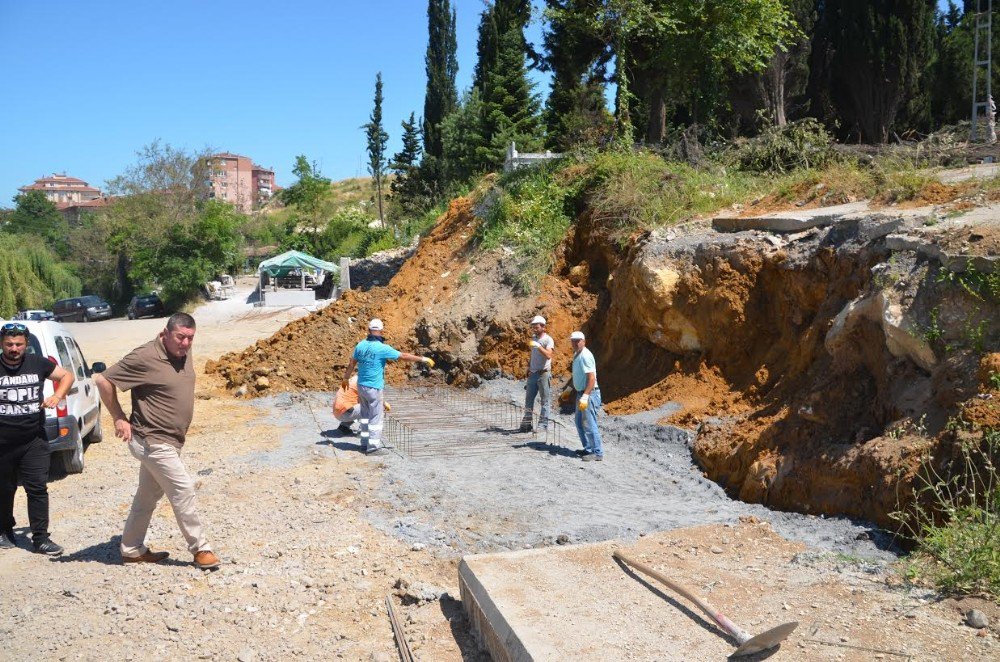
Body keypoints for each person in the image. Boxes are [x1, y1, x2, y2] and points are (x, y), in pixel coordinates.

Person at [94, 313, 220, 569]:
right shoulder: (145, 356)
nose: (185, 344)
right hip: (152, 440)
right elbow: (103, 379)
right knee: (183, 489)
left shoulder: (183, 351)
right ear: (165, 333)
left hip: (171, 440)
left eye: (190, 338)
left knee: (147, 496)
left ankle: (131, 549)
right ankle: (201, 548)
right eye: (180, 337)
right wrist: (118, 417)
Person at [0, 322, 74, 555]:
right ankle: (4, 531)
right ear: (2, 344)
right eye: (9, 344)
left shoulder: (38, 364)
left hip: (34, 439)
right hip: (2, 443)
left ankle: (41, 538)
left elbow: (67, 376)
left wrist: (58, 395)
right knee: (4, 489)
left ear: (26, 345)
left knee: (37, 489)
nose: (14, 348)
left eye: (19, 344)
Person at [343, 318, 434, 456]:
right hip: (374, 388)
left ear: (368, 330)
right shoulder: (382, 348)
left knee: (365, 416)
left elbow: (351, 364)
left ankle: (364, 444)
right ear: (380, 331)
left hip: (361, 386)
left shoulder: (360, 345)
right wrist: (422, 359)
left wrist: (345, 378)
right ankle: (373, 447)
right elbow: (403, 356)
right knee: (375, 418)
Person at [567, 330, 603, 462]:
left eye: (578, 340)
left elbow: (591, 378)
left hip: (589, 393)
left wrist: (586, 396)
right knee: (579, 422)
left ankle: (597, 452)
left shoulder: (586, 356)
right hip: (581, 392)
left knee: (589, 423)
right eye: (573, 341)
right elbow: (577, 374)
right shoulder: (577, 354)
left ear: (584, 341)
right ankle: (588, 448)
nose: (575, 343)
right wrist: (570, 388)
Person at [519, 315, 554, 432]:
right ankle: (527, 424)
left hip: (543, 373)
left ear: (543, 327)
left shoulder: (548, 340)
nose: (534, 329)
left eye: (536, 327)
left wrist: (539, 346)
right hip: (533, 373)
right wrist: (529, 368)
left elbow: (549, 355)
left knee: (545, 400)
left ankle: (543, 425)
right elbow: (533, 356)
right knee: (528, 399)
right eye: (533, 327)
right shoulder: (534, 338)